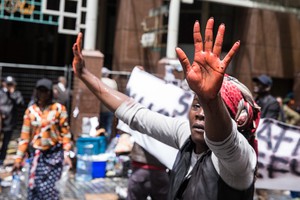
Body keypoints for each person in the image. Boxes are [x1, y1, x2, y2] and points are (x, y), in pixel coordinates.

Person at [73, 18, 260, 199]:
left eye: (214, 109)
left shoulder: (239, 161)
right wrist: (84, 74)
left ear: (235, 121)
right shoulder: (186, 135)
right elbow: (136, 114)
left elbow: (225, 142)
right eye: (196, 105)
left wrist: (210, 99)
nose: (201, 114)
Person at [13, 78, 73, 200]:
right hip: (37, 156)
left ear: (50, 92)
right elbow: (24, 137)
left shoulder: (58, 109)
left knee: (49, 191)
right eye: (40, 91)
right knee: (34, 189)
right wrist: (18, 159)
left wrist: (66, 153)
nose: (42, 94)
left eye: (45, 91)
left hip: (54, 156)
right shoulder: (30, 112)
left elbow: (65, 133)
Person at [0, 76, 24, 166]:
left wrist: (13, 94)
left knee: (6, 143)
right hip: (0, 122)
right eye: (8, 84)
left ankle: (1, 160)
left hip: (9, 123)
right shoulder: (1, 93)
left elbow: (21, 104)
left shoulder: (16, 94)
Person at [99, 67, 118, 140]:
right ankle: (106, 142)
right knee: (108, 126)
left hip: (100, 107)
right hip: (110, 107)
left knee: (100, 125)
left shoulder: (99, 81)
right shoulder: (112, 82)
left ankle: (100, 141)